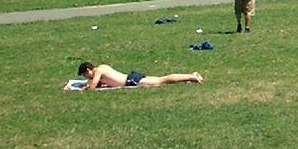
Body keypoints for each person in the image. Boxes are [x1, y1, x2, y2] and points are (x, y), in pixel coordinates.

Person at [73, 62, 202, 90]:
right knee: (161, 79)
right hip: (131, 78)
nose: (87, 77)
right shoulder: (102, 67)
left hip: (130, 81)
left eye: (86, 75)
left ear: (89, 70)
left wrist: (84, 88)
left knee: (162, 80)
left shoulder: (98, 71)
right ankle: (190, 76)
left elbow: (93, 86)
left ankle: (191, 77)